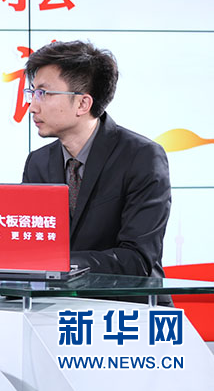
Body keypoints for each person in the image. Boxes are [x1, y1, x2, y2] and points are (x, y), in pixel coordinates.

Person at [21, 40, 171, 279]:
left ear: (83, 103)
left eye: (43, 93)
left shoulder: (141, 156)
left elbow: (137, 259)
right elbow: (29, 241)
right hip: (56, 301)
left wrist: (60, 263)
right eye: (32, 93)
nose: (32, 107)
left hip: (125, 300)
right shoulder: (37, 162)